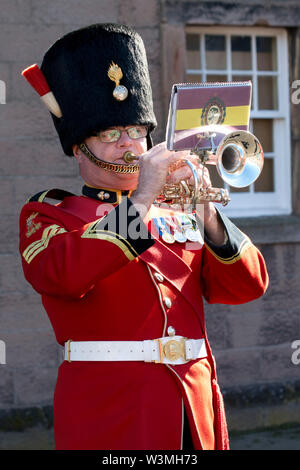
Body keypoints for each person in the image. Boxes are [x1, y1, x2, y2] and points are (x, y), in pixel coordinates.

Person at [19, 23, 269, 451]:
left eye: (136, 131)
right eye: (111, 135)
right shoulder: (50, 214)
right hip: (113, 415)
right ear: (80, 148)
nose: (130, 144)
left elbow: (247, 287)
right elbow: (62, 275)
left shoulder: (181, 207)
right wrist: (142, 198)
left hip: (194, 409)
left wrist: (207, 214)